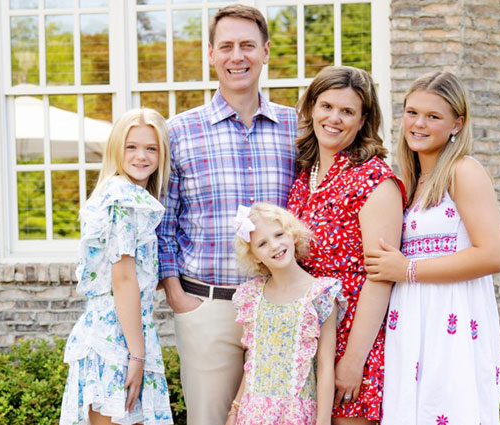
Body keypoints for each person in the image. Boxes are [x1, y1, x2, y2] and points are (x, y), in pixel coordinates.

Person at [156, 4, 298, 425]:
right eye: (228, 46)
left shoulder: (299, 128)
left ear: (266, 52)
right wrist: (177, 295)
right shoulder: (178, 131)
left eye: (248, 46)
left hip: (280, 306)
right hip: (207, 306)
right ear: (211, 54)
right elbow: (163, 223)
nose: (238, 56)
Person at [365, 71, 500, 425]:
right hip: (411, 320)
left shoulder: (464, 171)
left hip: (451, 320)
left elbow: (492, 255)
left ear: (457, 123)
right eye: (412, 112)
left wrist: (408, 270)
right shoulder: (411, 180)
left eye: (433, 116)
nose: (418, 123)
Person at [286, 66, 405, 424]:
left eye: (347, 111)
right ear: (311, 108)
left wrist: (353, 361)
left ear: (363, 119)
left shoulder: (373, 179)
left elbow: (380, 276)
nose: (334, 118)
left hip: (353, 337)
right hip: (307, 338)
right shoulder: (303, 175)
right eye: (326, 106)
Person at [59, 108, 173, 425]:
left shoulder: (126, 195)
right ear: (116, 150)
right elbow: (123, 280)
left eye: (151, 148)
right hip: (116, 336)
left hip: (117, 328)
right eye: (131, 147)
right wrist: (136, 354)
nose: (142, 156)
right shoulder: (123, 198)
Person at [225, 203, 346, 425]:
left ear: (293, 234)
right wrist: (235, 408)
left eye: (279, 234)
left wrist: (323, 421)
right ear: (255, 256)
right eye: (262, 243)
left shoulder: (321, 294)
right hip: (253, 413)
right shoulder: (252, 296)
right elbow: (254, 359)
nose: (274, 245)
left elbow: (326, 365)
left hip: (296, 414)